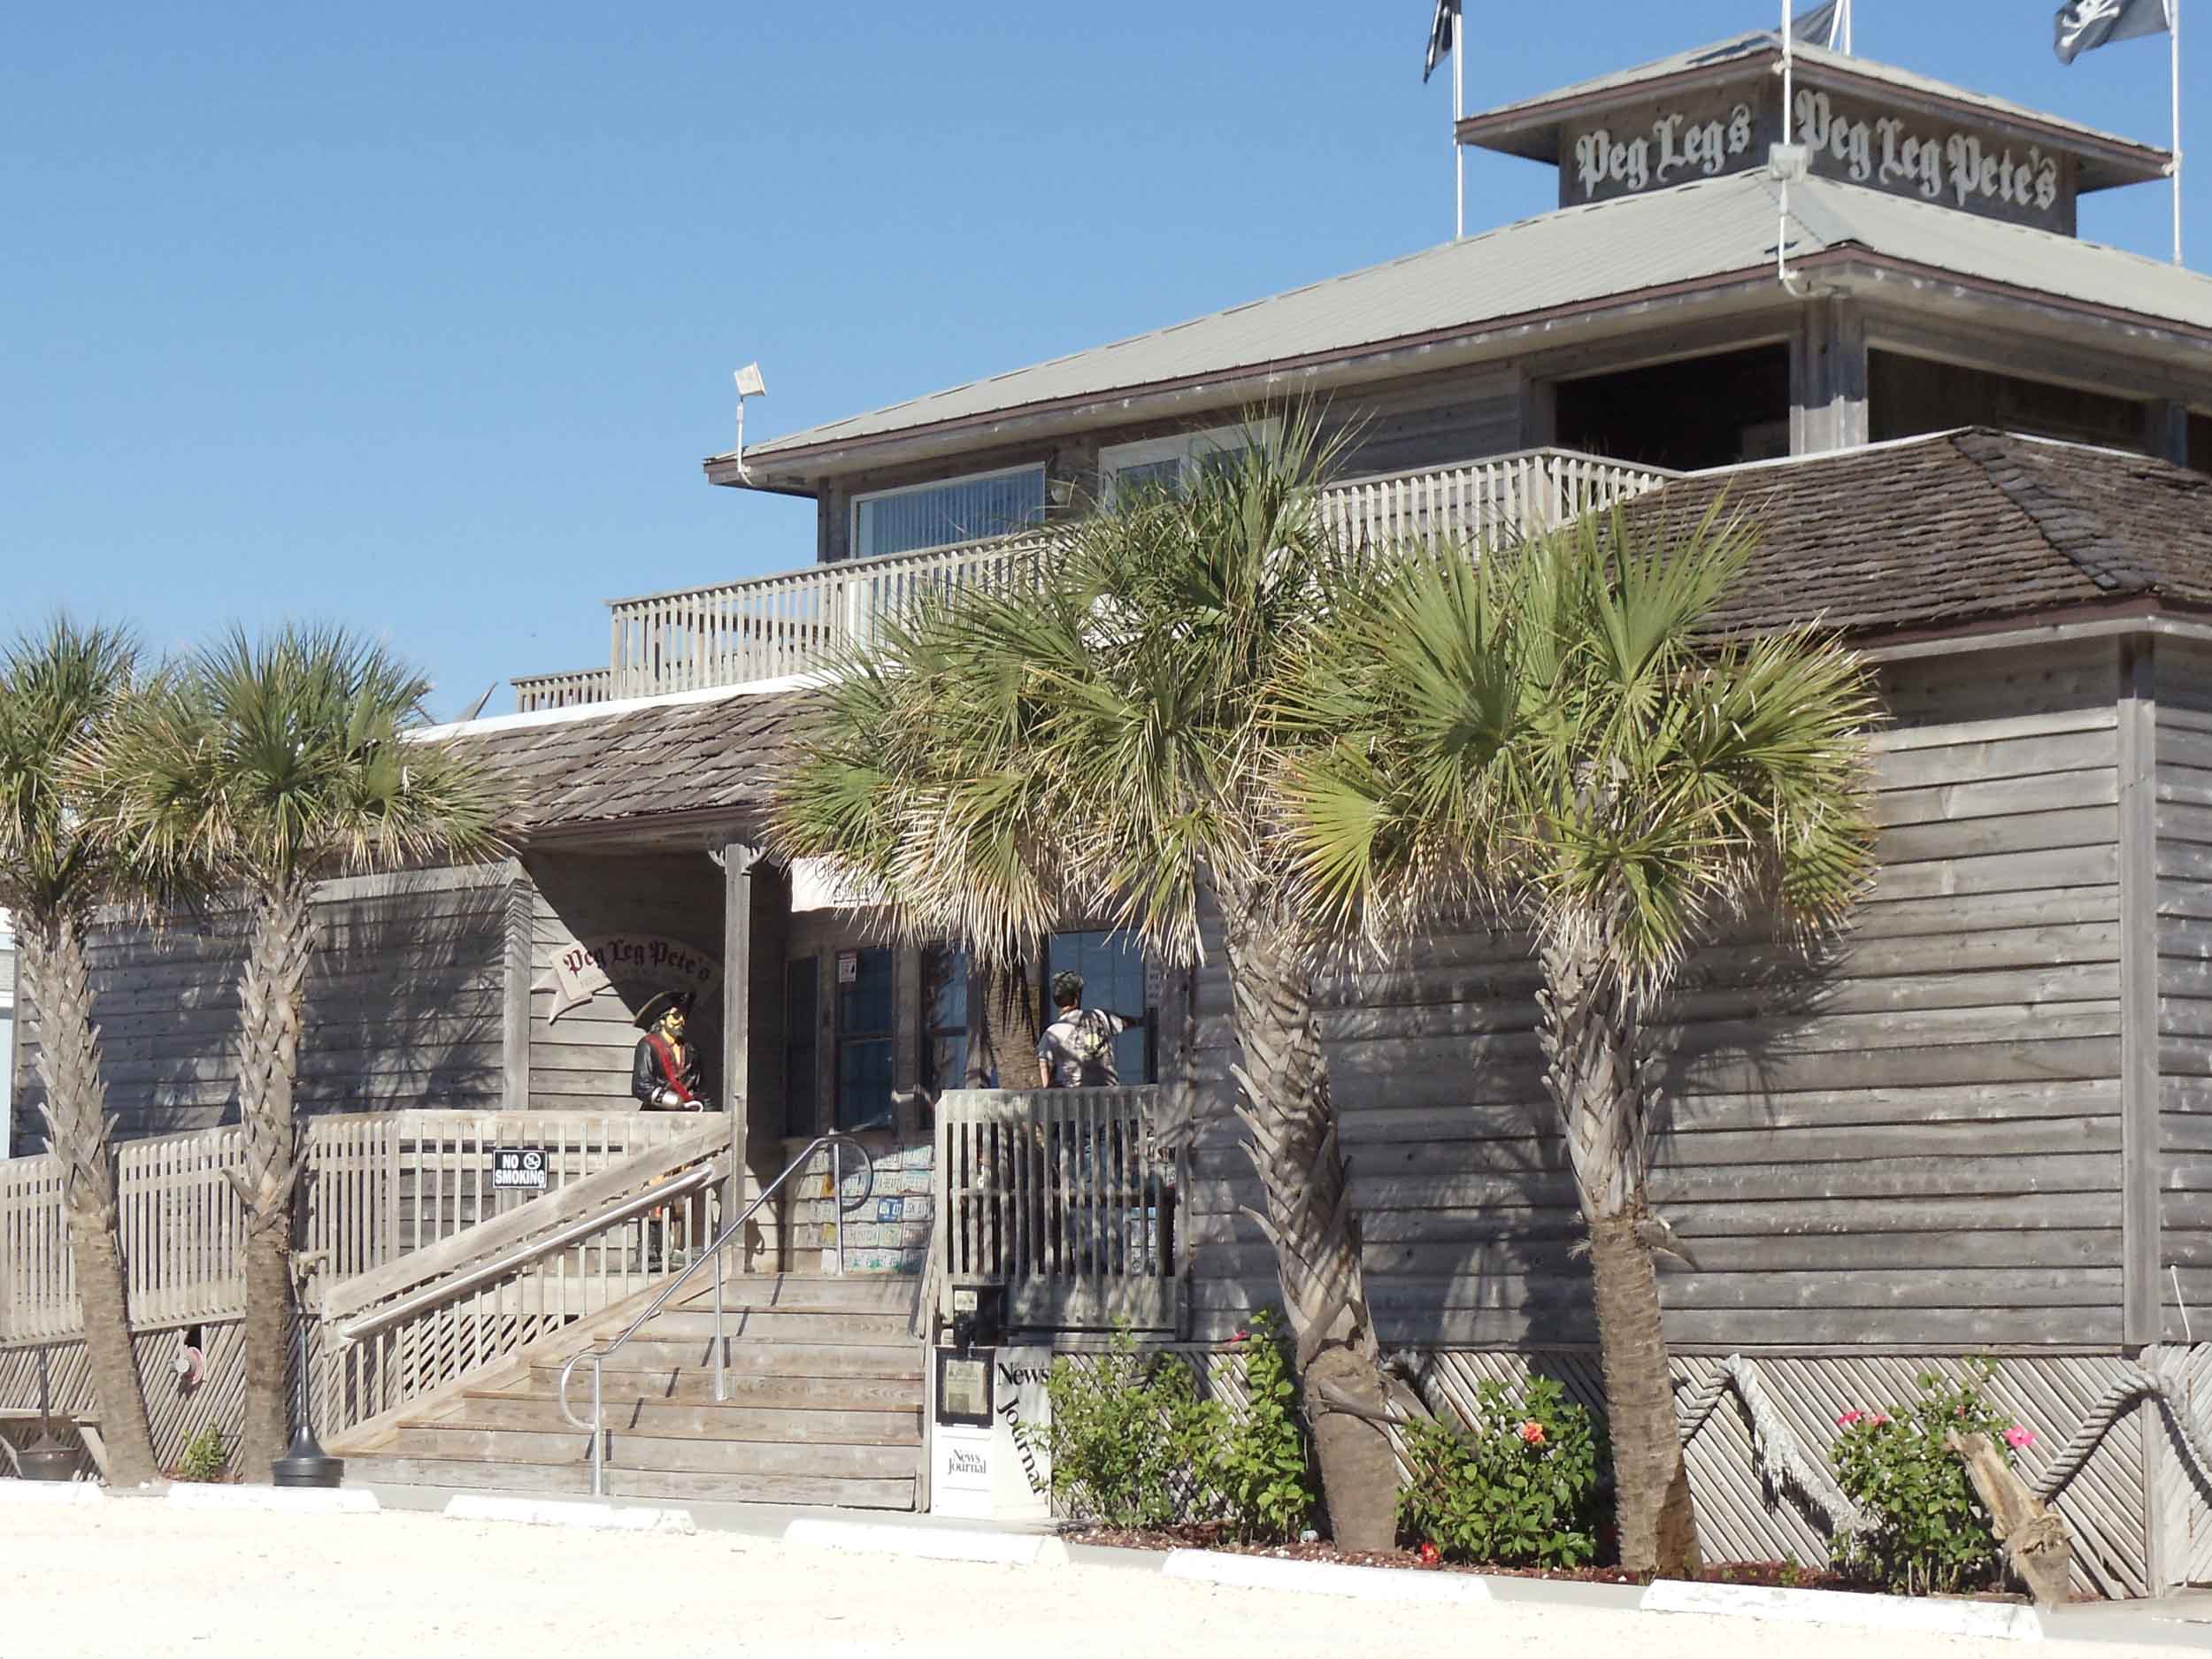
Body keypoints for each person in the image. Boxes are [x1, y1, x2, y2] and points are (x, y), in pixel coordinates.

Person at [1035, 970, 1143, 1089]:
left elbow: (1044, 1069)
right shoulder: (1099, 1017)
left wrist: (1051, 1088)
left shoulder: (1052, 1033)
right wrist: (1144, 1020)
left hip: (1077, 1099)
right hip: (1111, 1094)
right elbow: (1125, 1022)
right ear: (1077, 996)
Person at [631, 989, 710, 1112]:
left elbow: (699, 1087)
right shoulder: (648, 1045)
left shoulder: (691, 1050)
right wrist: (674, 1102)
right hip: (656, 1116)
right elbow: (640, 1086)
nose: (681, 1021)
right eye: (676, 1016)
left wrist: (697, 1102)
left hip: (687, 1115)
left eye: (684, 1016)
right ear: (662, 1019)